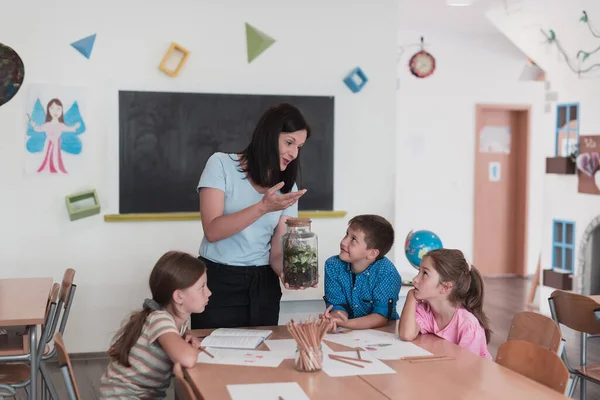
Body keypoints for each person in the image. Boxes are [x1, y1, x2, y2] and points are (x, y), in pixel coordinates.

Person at [192, 103, 312, 330]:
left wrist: (287, 274)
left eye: (299, 147)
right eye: (289, 142)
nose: (293, 153)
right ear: (269, 135)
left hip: (263, 285)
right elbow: (213, 231)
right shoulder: (220, 164)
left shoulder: (287, 187)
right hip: (217, 281)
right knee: (213, 358)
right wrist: (263, 207)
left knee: (262, 358)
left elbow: (277, 252)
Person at [99, 251, 211, 399]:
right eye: (202, 287)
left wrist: (187, 336)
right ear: (179, 297)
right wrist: (191, 349)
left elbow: (179, 339)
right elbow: (188, 359)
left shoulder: (172, 319)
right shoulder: (160, 320)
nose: (208, 292)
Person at [397, 248, 493, 360]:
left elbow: (468, 370)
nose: (415, 279)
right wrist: (411, 297)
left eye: (425, 273)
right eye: (419, 272)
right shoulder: (425, 311)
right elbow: (406, 334)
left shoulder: (468, 326)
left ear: (445, 287)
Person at [320, 214, 401, 331]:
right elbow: (337, 305)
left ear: (372, 254)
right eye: (347, 234)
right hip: (349, 334)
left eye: (353, 239)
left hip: (383, 333)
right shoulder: (333, 265)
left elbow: (380, 317)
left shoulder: (387, 273)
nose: (343, 242)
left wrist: (347, 324)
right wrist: (335, 318)